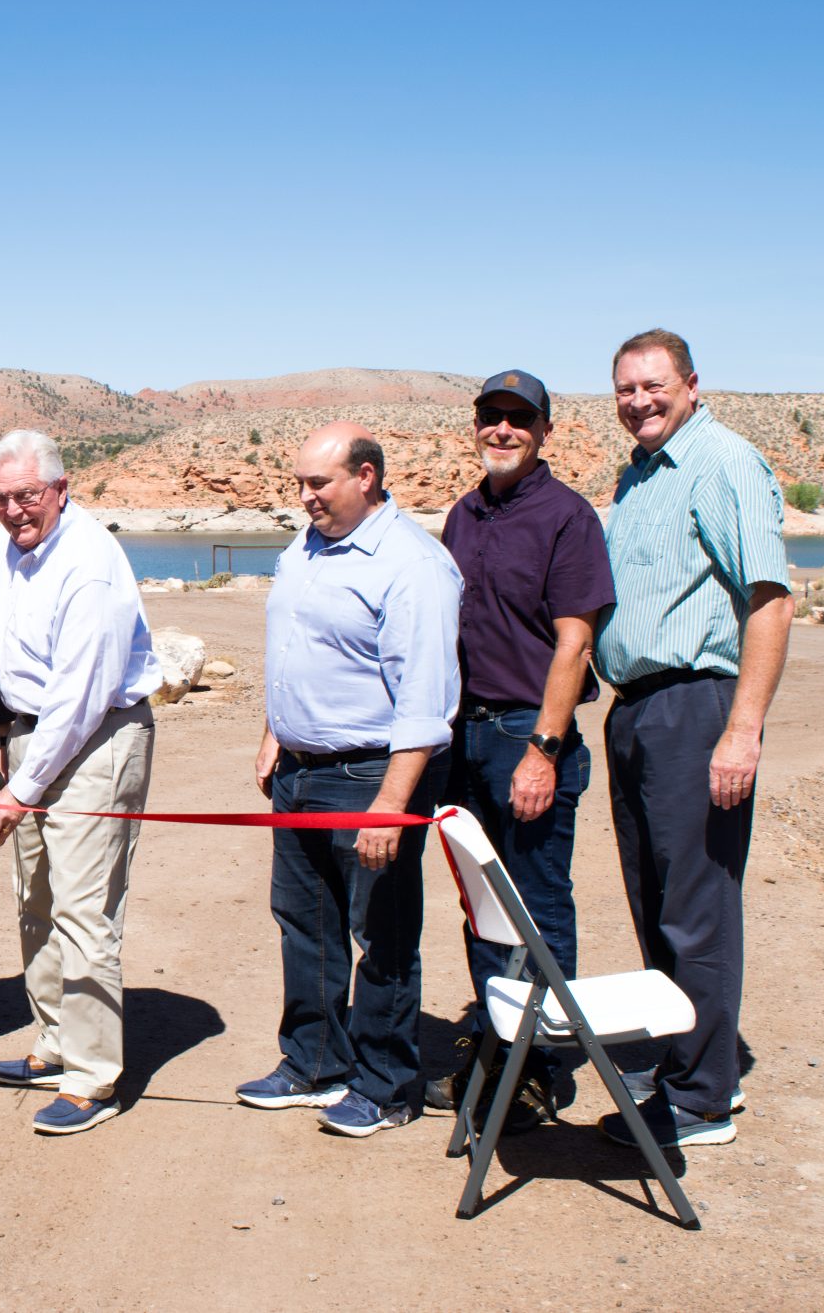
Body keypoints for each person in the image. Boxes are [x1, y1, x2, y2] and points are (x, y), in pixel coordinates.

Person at [594, 329, 791, 1150]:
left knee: (697, 906)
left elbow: (771, 599)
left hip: (695, 705)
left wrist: (741, 731)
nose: (640, 401)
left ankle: (705, 1096)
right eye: (626, 389)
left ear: (691, 383)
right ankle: (682, 1058)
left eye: (654, 385)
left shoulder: (723, 462)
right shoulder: (637, 475)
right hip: (636, 708)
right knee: (654, 899)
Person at [237, 422, 460, 1137]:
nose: (304, 497)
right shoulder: (306, 548)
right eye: (299, 482)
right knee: (305, 924)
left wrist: (391, 804)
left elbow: (425, 698)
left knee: (381, 932)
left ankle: (387, 1083)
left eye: (318, 484)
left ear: (366, 477)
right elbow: (299, 647)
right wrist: (277, 730)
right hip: (299, 773)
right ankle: (314, 1062)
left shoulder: (412, 563)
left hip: (369, 776)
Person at [428, 371, 615, 1128]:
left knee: (537, 900)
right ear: (475, 424)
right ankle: (495, 1042)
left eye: (518, 419)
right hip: (463, 733)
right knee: (481, 902)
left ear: (543, 431)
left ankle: (536, 1065)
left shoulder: (567, 517)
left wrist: (544, 746)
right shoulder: (464, 514)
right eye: (491, 417)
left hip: (526, 735)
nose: (502, 430)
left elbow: (575, 639)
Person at [0, 429, 161, 1135]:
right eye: (2, 499)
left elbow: (81, 694)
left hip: (96, 737)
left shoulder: (89, 562)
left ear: (61, 489)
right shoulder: (7, 546)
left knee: (83, 908)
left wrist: (21, 790)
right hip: (30, 735)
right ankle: (54, 1042)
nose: (15, 510)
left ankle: (92, 1076)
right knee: (34, 898)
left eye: (28, 496)